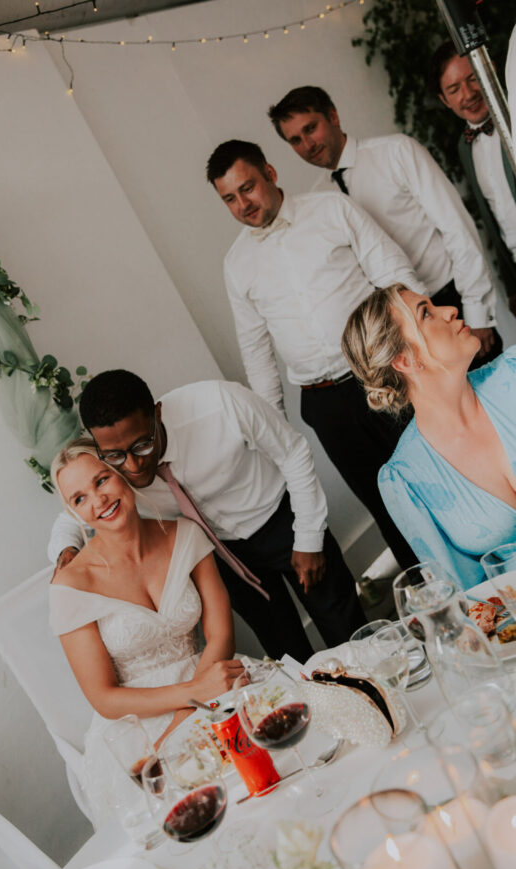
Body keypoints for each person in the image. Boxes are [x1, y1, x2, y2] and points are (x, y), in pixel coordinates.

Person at [206, 138, 424, 570]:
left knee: (438, 474)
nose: (242, 205)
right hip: (326, 403)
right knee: (386, 504)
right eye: (229, 199)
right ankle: (431, 595)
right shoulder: (237, 263)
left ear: (270, 173)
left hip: (384, 371)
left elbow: (394, 274)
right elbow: (257, 351)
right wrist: (274, 431)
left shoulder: (331, 209)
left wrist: (421, 348)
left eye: (247, 188)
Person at [49, 372, 365, 663]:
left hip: (283, 521)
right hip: (223, 555)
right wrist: (67, 549)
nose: (132, 466)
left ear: (157, 414)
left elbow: (293, 451)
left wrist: (308, 537)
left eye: (142, 445)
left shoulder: (220, 404)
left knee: (347, 632)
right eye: (116, 455)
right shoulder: (109, 460)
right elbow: (75, 512)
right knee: (288, 654)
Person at [49, 437, 245, 827]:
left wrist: (192, 709)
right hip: (136, 724)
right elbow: (104, 697)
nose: (99, 500)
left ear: (121, 472)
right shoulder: (71, 585)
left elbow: (221, 633)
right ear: (73, 513)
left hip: (211, 675)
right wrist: (192, 699)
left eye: (102, 480)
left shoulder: (185, 534)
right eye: (80, 498)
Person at [267, 85, 501, 368]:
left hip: (452, 304)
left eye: (311, 128)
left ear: (333, 116)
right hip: (404, 331)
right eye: (295, 140)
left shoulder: (397, 151)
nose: (307, 144)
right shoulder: (320, 201)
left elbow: (456, 227)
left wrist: (477, 314)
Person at [341, 283, 516, 590]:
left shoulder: (513, 373)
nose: (450, 310)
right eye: (426, 314)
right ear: (405, 360)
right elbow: (461, 594)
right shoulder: (404, 479)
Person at [429, 42, 516, 315]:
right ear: (444, 100)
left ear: (490, 69)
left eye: (473, 78)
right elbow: (494, 220)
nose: (468, 94)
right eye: (454, 89)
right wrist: (512, 285)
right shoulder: (464, 147)